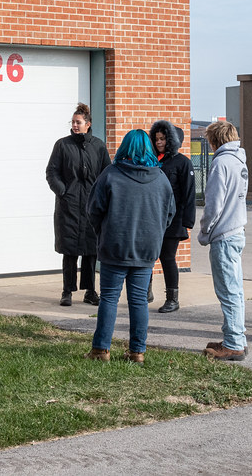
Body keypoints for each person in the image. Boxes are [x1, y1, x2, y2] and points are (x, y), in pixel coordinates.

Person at [84, 130, 175, 365]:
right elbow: (169, 213)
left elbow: (93, 210)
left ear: (124, 147)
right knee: (138, 301)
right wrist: (153, 233)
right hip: (146, 249)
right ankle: (137, 352)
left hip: (115, 246)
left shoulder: (111, 174)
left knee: (109, 299)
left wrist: (103, 232)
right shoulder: (160, 178)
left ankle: (100, 350)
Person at [45, 103, 112, 307]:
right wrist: (63, 191)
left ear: (88, 124)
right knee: (70, 251)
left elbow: (107, 173)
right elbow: (52, 172)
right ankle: (67, 291)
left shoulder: (98, 146)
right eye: (73, 122)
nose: (75, 125)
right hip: (69, 206)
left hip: (91, 207)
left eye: (78, 122)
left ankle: (90, 291)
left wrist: (101, 197)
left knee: (91, 252)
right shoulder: (62, 145)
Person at [198, 120, 249, 361]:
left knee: (227, 291)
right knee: (236, 290)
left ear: (214, 141)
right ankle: (237, 336)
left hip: (224, 235)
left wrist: (205, 231)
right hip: (237, 230)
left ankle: (233, 344)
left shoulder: (221, 163)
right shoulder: (240, 160)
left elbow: (214, 204)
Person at [147, 120, 196, 312]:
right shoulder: (151, 160)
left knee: (167, 257)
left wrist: (187, 221)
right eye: (156, 138)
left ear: (171, 140)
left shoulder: (183, 162)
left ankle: (172, 299)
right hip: (151, 219)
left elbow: (189, 194)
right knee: (148, 257)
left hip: (173, 220)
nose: (159, 142)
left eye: (163, 138)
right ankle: (146, 292)